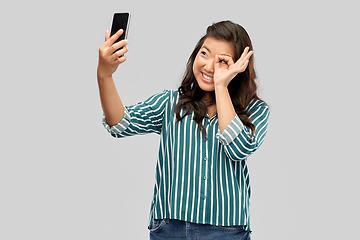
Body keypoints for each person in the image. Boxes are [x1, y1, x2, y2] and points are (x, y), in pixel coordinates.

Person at [97, 20, 269, 240]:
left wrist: (221, 86)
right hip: (170, 230)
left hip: (227, 232)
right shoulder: (170, 104)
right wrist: (104, 75)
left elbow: (238, 149)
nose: (208, 67)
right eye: (204, 54)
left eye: (222, 62)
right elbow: (119, 124)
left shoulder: (256, 111)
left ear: (239, 67)